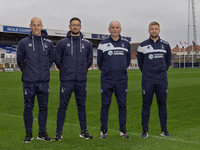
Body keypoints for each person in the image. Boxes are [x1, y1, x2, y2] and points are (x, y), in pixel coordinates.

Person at [54, 17, 93, 140]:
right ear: (69, 26)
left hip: (81, 80)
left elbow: (89, 60)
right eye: (73, 25)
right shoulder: (62, 43)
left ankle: (83, 131)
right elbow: (57, 60)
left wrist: (81, 71)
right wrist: (66, 70)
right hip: (66, 80)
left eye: (77, 25)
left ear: (80, 27)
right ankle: (58, 132)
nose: (75, 27)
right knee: (62, 106)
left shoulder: (87, 44)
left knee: (81, 106)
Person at [17, 17, 54, 143]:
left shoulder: (48, 43)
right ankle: (28, 133)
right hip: (29, 82)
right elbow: (20, 60)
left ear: (42, 26)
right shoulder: (23, 43)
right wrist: (28, 72)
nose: (36, 27)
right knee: (28, 107)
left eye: (38, 25)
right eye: (34, 25)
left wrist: (43, 71)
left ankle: (42, 133)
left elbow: (50, 60)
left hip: (44, 81)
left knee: (44, 108)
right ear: (30, 26)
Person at [137, 21, 171, 138]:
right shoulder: (142, 45)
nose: (154, 31)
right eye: (152, 29)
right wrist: (148, 73)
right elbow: (140, 63)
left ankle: (164, 130)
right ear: (148, 30)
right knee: (146, 105)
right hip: (148, 81)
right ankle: (145, 131)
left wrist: (160, 72)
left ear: (159, 30)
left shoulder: (165, 45)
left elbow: (168, 62)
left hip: (161, 80)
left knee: (162, 105)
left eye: (156, 29)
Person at [97, 21, 131, 139]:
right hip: (107, 80)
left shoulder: (126, 44)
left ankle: (123, 130)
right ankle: (104, 131)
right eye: (113, 28)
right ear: (109, 29)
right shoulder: (103, 44)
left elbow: (127, 62)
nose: (115, 29)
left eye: (117, 28)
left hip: (121, 80)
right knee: (105, 105)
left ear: (120, 30)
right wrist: (108, 71)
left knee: (122, 105)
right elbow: (99, 62)